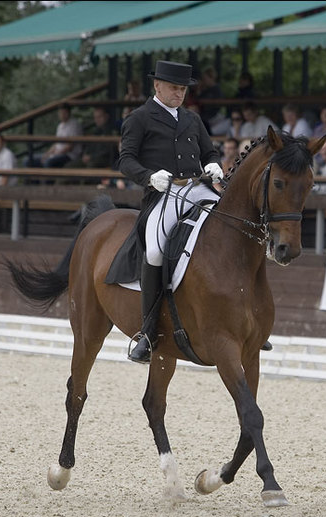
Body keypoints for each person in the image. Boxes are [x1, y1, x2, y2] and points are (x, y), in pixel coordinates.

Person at [108, 60, 222, 364]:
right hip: (165, 192)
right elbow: (125, 160)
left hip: (197, 188)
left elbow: (209, 151)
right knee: (157, 251)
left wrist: (213, 164)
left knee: (233, 227)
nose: (179, 93)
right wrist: (148, 177)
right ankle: (147, 332)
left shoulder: (192, 119)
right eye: (174, 87)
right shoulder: (139, 118)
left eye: (183, 89)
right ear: (157, 86)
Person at [26, 104, 82, 173]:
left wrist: (54, 155)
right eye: (60, 113)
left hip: (68, 155)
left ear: (68, 113)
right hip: (56, 153)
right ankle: (34, 182)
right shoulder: (60, 126)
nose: (61, 115)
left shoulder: (74, 125)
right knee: (28, 160)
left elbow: (70, 146)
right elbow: (56, 144)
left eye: (63, 113)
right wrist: (47, 154)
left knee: (48, 162)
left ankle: (48, 183)